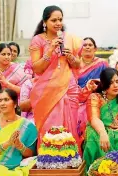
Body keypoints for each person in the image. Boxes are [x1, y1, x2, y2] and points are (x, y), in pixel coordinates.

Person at [29, 5, 82, 150]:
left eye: (60, 19)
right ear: (45, 22)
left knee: (70, 125)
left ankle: (71, 160)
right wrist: (50, 49)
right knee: (50, 126)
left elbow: (78, 65)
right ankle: (49, 159)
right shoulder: (37, 40)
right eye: (54, 20)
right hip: (47, 90)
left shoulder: (69, 39)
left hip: (68, 87)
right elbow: (37, 68)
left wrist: (70, 56)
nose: (58, 23)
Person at [0, 89, 37, 176]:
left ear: (15, 104)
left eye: (6, 99)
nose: (2, 103)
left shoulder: (28, 126)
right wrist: (7, 143)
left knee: (36, 162)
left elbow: (30, 154)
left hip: (17, 166)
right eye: (0, 100)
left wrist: (19, 146)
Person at [73, 37, 108, 136]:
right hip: (77, 98)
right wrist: (85, 90)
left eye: (90, 45)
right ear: (80, 48)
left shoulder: (102, 63)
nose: (87, 47)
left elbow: (109, 80)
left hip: (97, 98)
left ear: (95, 48)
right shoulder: (75, 64)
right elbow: (71, 84)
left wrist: (95, 83)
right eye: (85, 45)